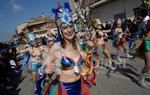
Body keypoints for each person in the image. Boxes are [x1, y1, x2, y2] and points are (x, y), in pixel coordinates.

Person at [43, 2, 95, 95]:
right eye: (65, 27)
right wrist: (47, 71)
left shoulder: (77, 43)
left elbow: (84, 59)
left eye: (71, 25)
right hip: (64, 90)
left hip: (80, 86)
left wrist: (90, 50)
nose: (69, 30)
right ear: (60, 30)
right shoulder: (55, 48)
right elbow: (45, 71)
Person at [134, 18, 150, 88]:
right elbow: (143, 35)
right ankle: (140, 79)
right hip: (147, 43)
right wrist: (136, 46)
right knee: (148, 65)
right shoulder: (147, 20)